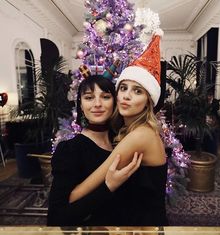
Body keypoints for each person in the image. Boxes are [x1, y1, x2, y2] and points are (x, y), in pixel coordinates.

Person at [69, 34, 169, 226]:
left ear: (148, 101)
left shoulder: (140, 135)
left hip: (145, 227)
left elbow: (76, 195)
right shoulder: (130, 129)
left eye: (138, 91)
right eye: (123, 88)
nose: (127, 96)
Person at [47, 74, 142, 226]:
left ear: (115, 102)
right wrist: (108, 186)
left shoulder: (123, 141)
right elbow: (56, 218)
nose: (97, 104)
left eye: (105, 97)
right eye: (89, 97)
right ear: (81, 104)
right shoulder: (70, 150)